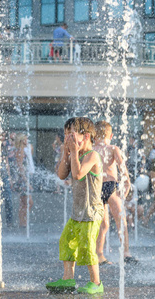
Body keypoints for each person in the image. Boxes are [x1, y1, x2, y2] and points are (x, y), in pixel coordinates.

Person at [46, 117, 104, 294]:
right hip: (78, 212)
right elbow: (62, 175)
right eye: (66, 135)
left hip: (92, 211)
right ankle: (68, 279)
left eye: (71, 135)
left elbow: (78, 174)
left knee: (86, 245)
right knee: (66, 241)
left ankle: (96, 282)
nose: (68, 138)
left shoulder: (93, 156)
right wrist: (67, 153)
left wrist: (73, 151)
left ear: (85, 136)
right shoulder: (75, 155)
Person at [93, 121, 137, 265]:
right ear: (110, 135)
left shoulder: (91, 150)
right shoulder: (113, 148)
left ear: (94, 135)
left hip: (97, 187)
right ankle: (126, 253)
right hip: (111, 187)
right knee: (120, 220)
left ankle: (99, 255)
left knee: (103, 223)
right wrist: (127, 184)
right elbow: (122, 169)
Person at [14, 133, 33, 228]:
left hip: (21, 179)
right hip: (22, 180)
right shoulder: (20, 151)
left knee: (23, 203)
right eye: (25, 139)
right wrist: (27, 182)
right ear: (22, 141)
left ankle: (22, 223)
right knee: (29, 202)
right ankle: (23, 222)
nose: (27, 141)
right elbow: (20, 168)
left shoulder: (21, 150)